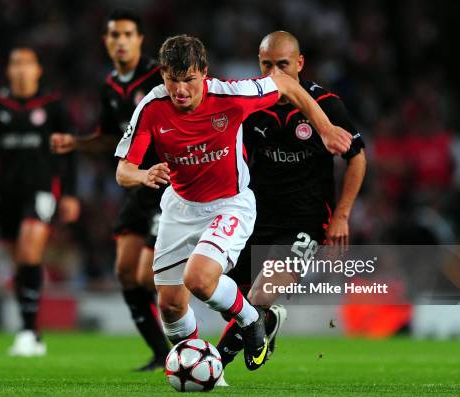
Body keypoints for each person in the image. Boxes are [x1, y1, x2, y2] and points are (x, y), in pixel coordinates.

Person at [115, 34, 352, 371]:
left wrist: (325, 128)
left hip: (229, 204)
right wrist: (142, 175)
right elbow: (123, 170)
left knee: (198, 280)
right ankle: (203, 371)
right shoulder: (151, 108)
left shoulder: (231, 96)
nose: (180, 90)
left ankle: (251, 318)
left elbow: (285, 84)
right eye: (172, 80)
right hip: (180, 207)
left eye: (189, 80)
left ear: (204, 73)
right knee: (169, 305)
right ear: (162, 76)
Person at [215, 31, 367, 368]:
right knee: (228, 299)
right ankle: (266, 323)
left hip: (306, 220)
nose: (274, 74)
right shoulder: (250, 105)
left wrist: (341, 215)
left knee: (261, 294)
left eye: (282, 65)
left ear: (299, 64)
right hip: (256, 216)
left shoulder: (327, 105)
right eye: (266, 65)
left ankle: (212, 363)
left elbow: (357, 158)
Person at [50, 9, 169, 371]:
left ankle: (197, 320)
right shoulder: (110, 87)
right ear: (106, 41)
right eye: (114, 35)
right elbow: (108, 140)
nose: (120, 41)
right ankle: (161, 353)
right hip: (137, 185)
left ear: (140, 40)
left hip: (167, 183)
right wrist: (77, 143)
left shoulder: (158, 78)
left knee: (148, 274)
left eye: (127, 34)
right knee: (124, 272)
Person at [0, 47, 80, 356]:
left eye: (27, 64)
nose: (21, 70)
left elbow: (70, 152)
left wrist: (69, 192)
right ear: (8, 70)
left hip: (42, 190)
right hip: (6, 195)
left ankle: (26, 331)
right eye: (15, 64)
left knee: (29, 248)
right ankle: (33, 330)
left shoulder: (52, 105)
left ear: (38, 70)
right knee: (21, 261)